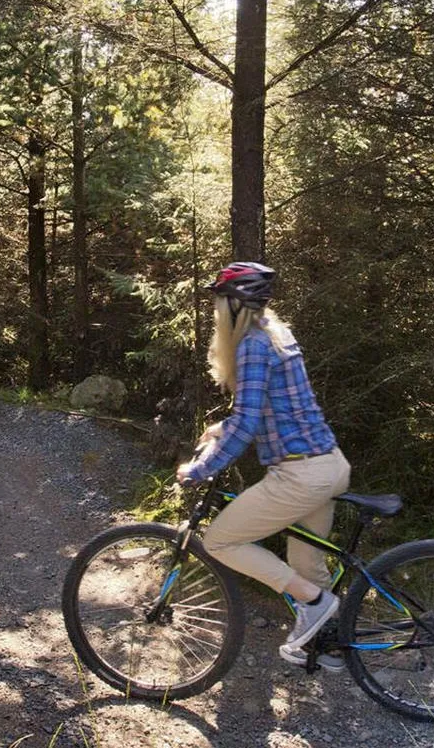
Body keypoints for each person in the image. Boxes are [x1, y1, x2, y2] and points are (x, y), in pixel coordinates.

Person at [176, 261, 352, 670]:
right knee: (306, 563)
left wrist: (197, 471)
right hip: (327, 464)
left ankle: (319, 606)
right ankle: (331, 645)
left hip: (300, 474)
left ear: (234, 305)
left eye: (219, 300)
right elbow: (276, 406)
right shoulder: (275, 334)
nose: (215, 310)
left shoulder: (253, 344)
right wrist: (222, 427)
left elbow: (249, 422)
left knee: (220, 541)